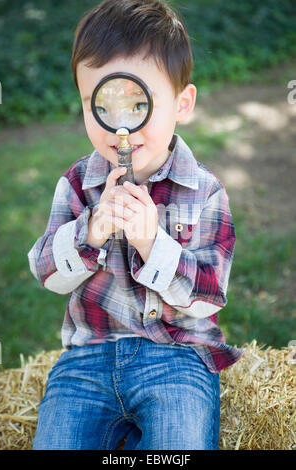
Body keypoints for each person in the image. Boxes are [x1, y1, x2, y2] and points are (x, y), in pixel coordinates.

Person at [28, 0, 244, 450]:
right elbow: (46, 274)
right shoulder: (76, 184)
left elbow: (209, 297)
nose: (120, 127)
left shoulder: (204, 191)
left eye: (139, 103)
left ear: (182, 103)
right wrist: (89, 232)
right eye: (101, 105)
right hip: (87, 359)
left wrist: (153, 243)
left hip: (178, 359)